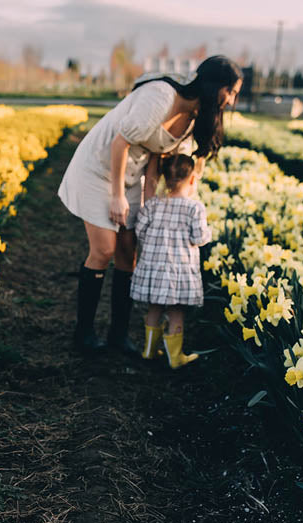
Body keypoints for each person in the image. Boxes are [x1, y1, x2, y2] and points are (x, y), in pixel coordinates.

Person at [58, 55, 242, 354]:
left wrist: (154, 205)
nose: (232, 101)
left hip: (131, 176)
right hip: (98, 168)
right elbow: (120, 143)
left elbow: (164, 163)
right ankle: (84, 333)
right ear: (213, 85)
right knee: (103, 249)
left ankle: (118, 334)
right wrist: (117, 196)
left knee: (128, 252)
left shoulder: (193, 119)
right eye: (230, 91)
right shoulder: (161, 96)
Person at [131, 154, 211, 367]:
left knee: (154, 308)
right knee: (176, 312)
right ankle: (175, 357)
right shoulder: (195, 208)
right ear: (192, 179)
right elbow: (199, 238)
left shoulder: (153, 205)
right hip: (180, 271)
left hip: (154, 268)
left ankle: (148, 351)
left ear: (165, 178)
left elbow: (140, 231)